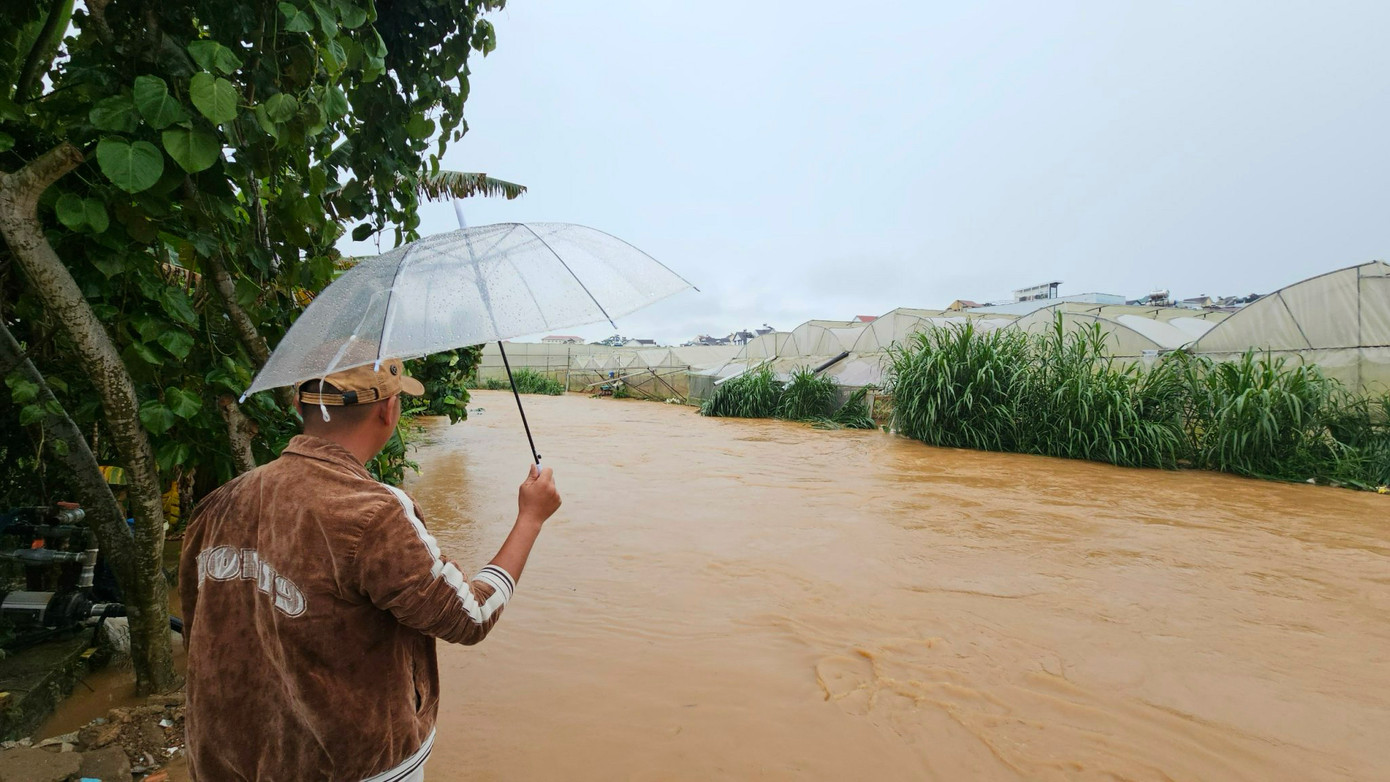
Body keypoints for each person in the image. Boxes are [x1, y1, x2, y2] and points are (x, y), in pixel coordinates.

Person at [179, 359, 560, 781]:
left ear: (296, 404)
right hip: (353, 765)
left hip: (226, 759)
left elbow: (198, 627)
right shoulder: (375, 511)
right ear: (388, 410)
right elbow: (468, 616)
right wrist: (530, 519)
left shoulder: (218, 502)